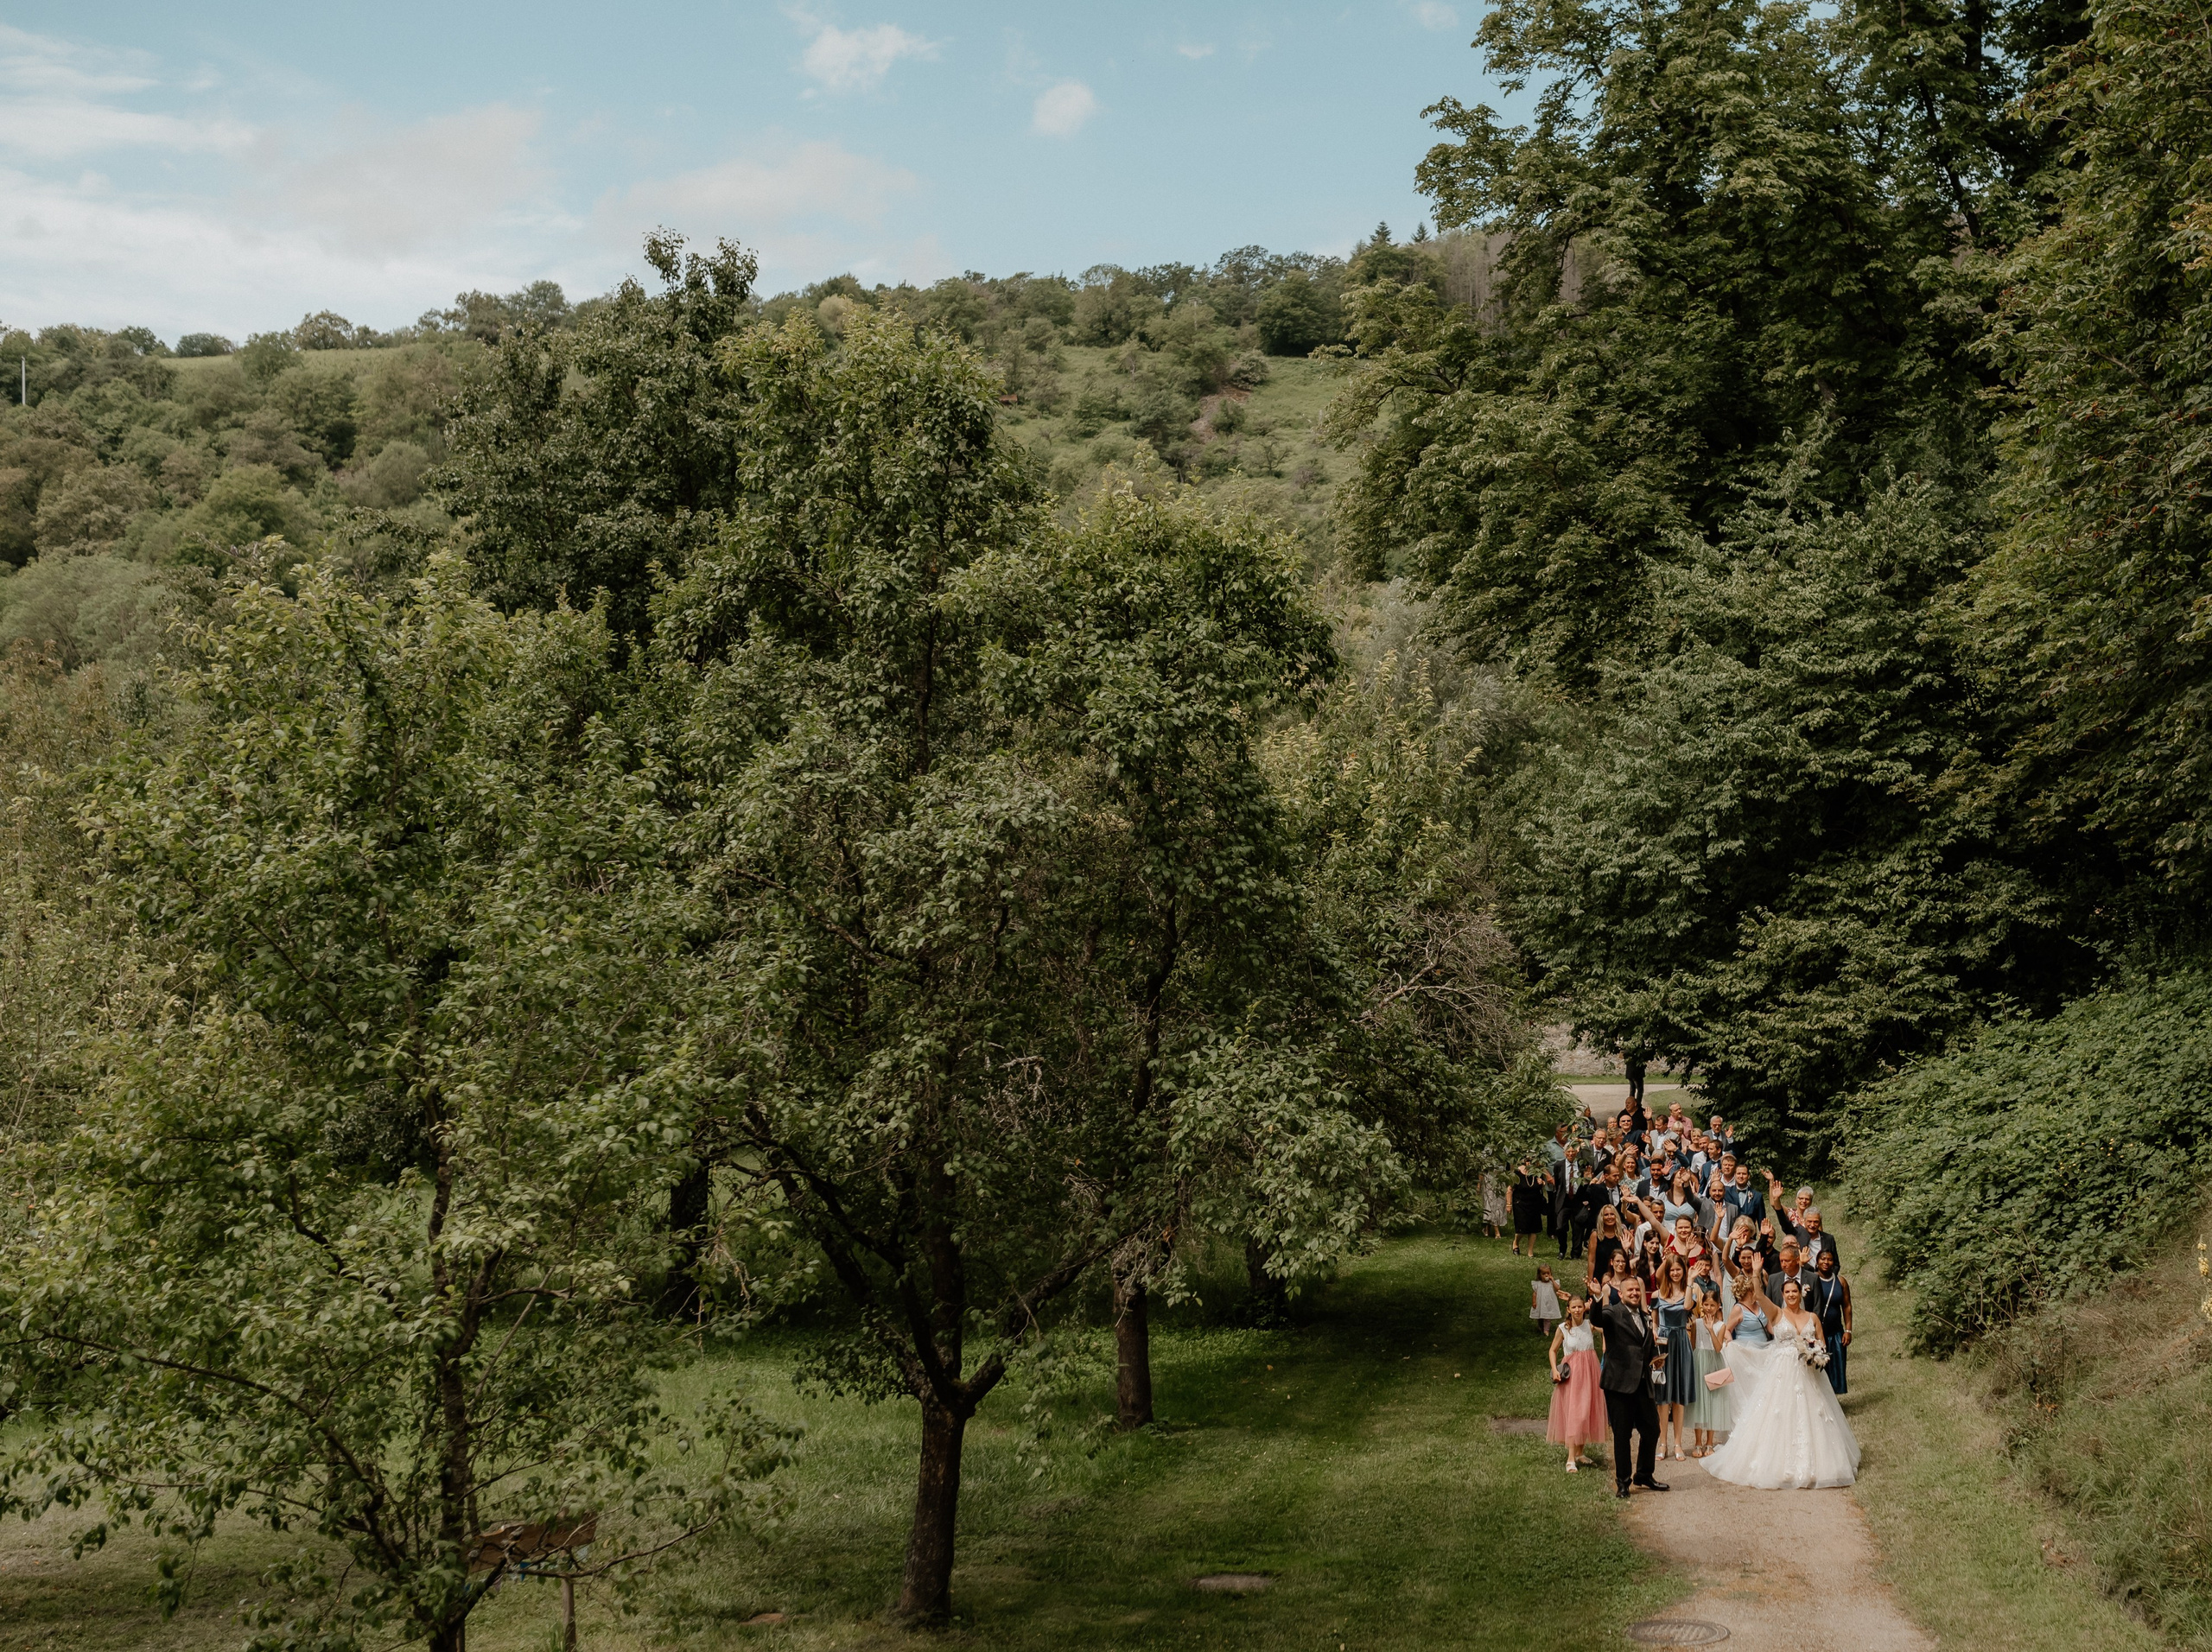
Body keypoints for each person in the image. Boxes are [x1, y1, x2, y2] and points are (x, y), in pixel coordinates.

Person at [1704, 1276, 1860, 1489]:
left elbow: (1822, 1343)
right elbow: (1758, 1295)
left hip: (1808, 1372)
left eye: (1794, 1291)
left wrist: (1817, 1353)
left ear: (1800, 1293)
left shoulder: (1812, 1317)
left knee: (1813, 1414)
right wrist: (1757, 1273)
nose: (1791, 1295)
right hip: (1783, 1370)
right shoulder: (1777, 1314)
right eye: (1787, 1292)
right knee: (1780, 1413)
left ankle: (1818, 1465)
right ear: (1783, 1295)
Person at [1588, 1276, 1670, 1498]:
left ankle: (1644, 1474)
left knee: (1652, 1429)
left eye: (1637, 1289)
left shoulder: (1644, 1317)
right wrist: (1597, 1296)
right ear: (1621, 1294)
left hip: (1642, 1384)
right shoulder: (1613, 1313)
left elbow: (1648, 1345)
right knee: (1622, 1435)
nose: (1634, 1293)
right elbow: (1597, 1318)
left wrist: (1655, 1357)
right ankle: (1623, 1482)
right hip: (1619, 1385)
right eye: (1630, 1290)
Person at [1547, 1296, 1608, 1471]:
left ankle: (1580, 1452)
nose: (1577, 1310)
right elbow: (1552, 1350)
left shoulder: (1590, 1325)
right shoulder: (1563, 1328)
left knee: (1586, 1411)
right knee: (1574, 1413)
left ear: (1584, 1308)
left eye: (1580, 1307)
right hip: (1572, 1374)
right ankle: (1571, 1458)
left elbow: (1607, 1329)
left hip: (1590, 1371)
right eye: (1573, 1307)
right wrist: (1555, 1369)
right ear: (1568, 1309)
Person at [1653, 1256, 1696, 1462]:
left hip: (1680, 1342)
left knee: (1678, 1396)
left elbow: (1687, 1307)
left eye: (1679, 1269)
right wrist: (1655, 1332)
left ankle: (1678, 1442)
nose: (1676, 1273)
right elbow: (1653, 1320)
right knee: (1662, 1397)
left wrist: (1689, 1282)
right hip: (1662, 1343)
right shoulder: (1658, 1294)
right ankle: (1663, 1442)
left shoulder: (1690, 1290)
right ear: (1668, 1272)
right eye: (1673, 1270)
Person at [1685, 1290, 1732, 1456]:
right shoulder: (1696, 1323)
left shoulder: (1721, 1325)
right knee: (1699, 1403)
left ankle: (1709, 1443)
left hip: (1714, 1362)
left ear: (1718, 1306)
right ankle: (1698, 1442)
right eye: (1706, 1304)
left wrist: (1711, 1329)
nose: (1709, 1308)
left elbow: (1719, 1348)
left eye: (1713, 1305)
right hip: (1699, 1361)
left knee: (1712, 1402)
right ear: (1702, 1305)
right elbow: (1693, 1346)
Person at [1805, 1248, 1853, 1394]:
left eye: (1829, 1259)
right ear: (1817, 1262)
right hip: (1816, 1335)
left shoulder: (1841, 1281)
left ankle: (1835, 1402)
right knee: (1817, 1370)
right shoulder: (1811, 1280)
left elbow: (1847, 1306)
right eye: (1823, 1259)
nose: (1826, 1262)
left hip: (1835, 1332)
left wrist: (1848, 1330)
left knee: (1836, 1368)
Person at [1510, 1164, 1546, 1256]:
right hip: (1520, 1203)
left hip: (1535, 1203)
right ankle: (1516, 1242)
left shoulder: (1538, 1172)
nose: (1530, 1163)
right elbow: (1510, 1189)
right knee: (1522, 1229)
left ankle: (1530, 1252)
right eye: (1528, 1161)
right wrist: (1508, 1204)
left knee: (1533, 1229)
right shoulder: (1517, 1173)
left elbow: (1542, 1186)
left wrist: (1541, 1183)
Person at [1530, 1263, 1561, 1340]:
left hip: (1549, 1303)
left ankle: (1546, 1330)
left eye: (1548, 1273)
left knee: (1547, 1317)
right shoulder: (1538, 1284)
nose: (1546, 1275)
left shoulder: (1552, 1283)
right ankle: (1541, 1327)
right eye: (1544, 1274)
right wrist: (1534, 1302)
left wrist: (1553, 1280)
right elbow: (1534, 1293)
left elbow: (1557, 1289)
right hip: (1540, 1303)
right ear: (1540, 1275)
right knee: (1540, 1316)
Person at [1478, 1165, 1510, 1239]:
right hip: (1489, 1180)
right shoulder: (1486, 1154)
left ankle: (1487, 1228)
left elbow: (1508, 1167)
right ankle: (1497, 1232)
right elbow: (1482, 1170)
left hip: (1501, 1179)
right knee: (1491, 1204)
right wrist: (1479, 1184)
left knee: (1500, 1204)